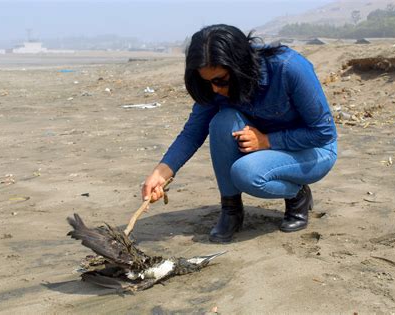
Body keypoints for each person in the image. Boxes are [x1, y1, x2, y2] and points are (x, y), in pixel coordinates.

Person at [141, 24, 337, 243]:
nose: (214, 89)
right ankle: (231, 209)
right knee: (221, 122)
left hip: (313, 151)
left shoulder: (288, 68)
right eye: (206, 82)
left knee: (246, 173)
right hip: (263, 150)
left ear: (241, 66)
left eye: (220, 81)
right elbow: (192, 133)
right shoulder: (214, 85)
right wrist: (160, 174)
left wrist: (266, 141)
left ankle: (296, 195)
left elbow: (323, 133)